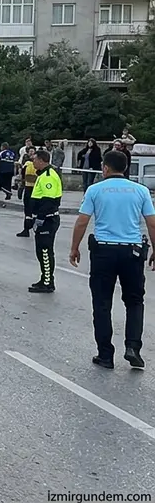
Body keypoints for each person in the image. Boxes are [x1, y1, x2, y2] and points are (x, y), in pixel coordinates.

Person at [69, 150, 155, 369]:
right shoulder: (141, 190)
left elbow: (82, 222)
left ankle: (105, 355)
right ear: (125, 168)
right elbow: (152, 223)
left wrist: (74, 248)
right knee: (134, 301)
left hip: (104, 252)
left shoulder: (95, 190)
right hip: (132, 252)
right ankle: (133, 347)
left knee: (102, 303)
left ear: (105, 168)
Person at [28, 149, 64, 294]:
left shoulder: (48, 176)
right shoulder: (42, 175)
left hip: (48, 219)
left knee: (45, 251)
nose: (33, 162)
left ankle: (48, 282)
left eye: (35, 159)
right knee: (41, 251)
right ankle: (45, 278)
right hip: (44, 218)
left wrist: (40, 219)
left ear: (42, 160)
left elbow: (48, 201)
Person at [16, 150, 38, 237]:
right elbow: (23, 176)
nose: (32, 154)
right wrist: (21, 187)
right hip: (29, 188)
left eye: (33, 152)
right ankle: (27, 229)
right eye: (30, 152)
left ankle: (33, 228)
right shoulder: (27, 164)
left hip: (36, 190)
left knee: (33, 210)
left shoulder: (33, 165)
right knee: (28, 211)